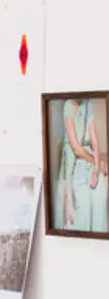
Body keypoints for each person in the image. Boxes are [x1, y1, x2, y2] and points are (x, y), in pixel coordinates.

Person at [58, 98, 108, 233]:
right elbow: (75, 148)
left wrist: (97, 170)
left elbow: (95, 141)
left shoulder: (88, 105)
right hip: (75, 159)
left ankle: (99, 241)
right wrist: (96, 162)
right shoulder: (68, 104)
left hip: (90, 157)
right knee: (83, 208)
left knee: (100, 196)